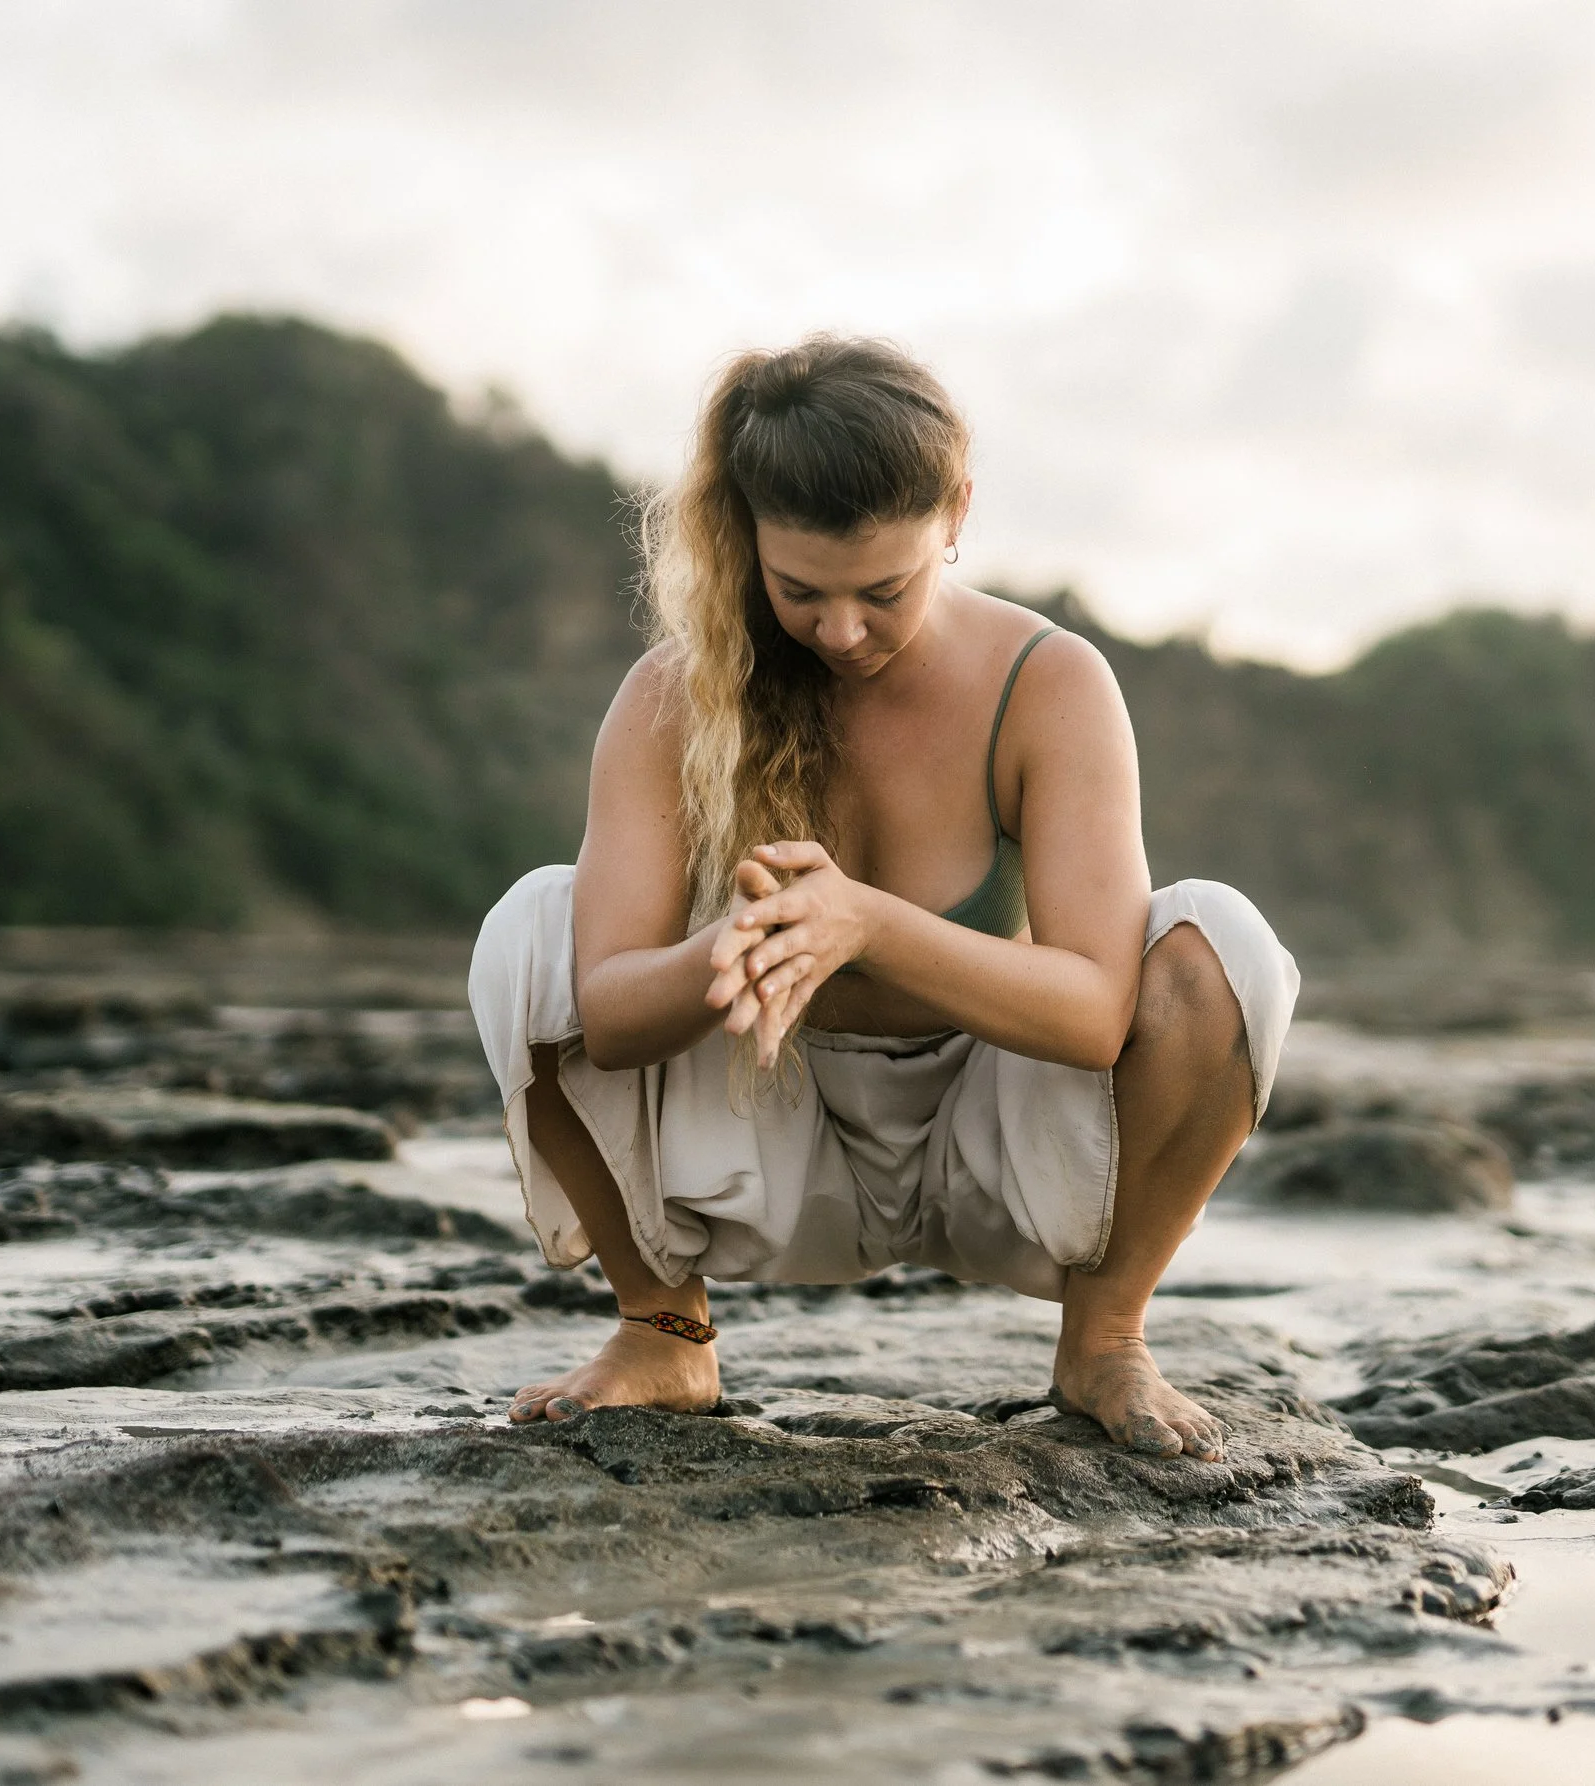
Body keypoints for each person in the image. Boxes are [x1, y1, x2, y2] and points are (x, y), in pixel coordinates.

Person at [468, 336, 1297, 1461]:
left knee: (1220, 945)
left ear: (956, 512)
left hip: (991, 1147)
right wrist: (741, 943)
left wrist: (866, 920)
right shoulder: (675, 694)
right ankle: (664, 1333)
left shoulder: (1048, 681)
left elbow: (1099, 1011)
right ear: (745, 538)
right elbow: (606, 1015)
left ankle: (1103, 1338)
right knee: (530, 926)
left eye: (885, 591)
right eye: (799, 590)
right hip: (774, 1138)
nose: (842, 630)